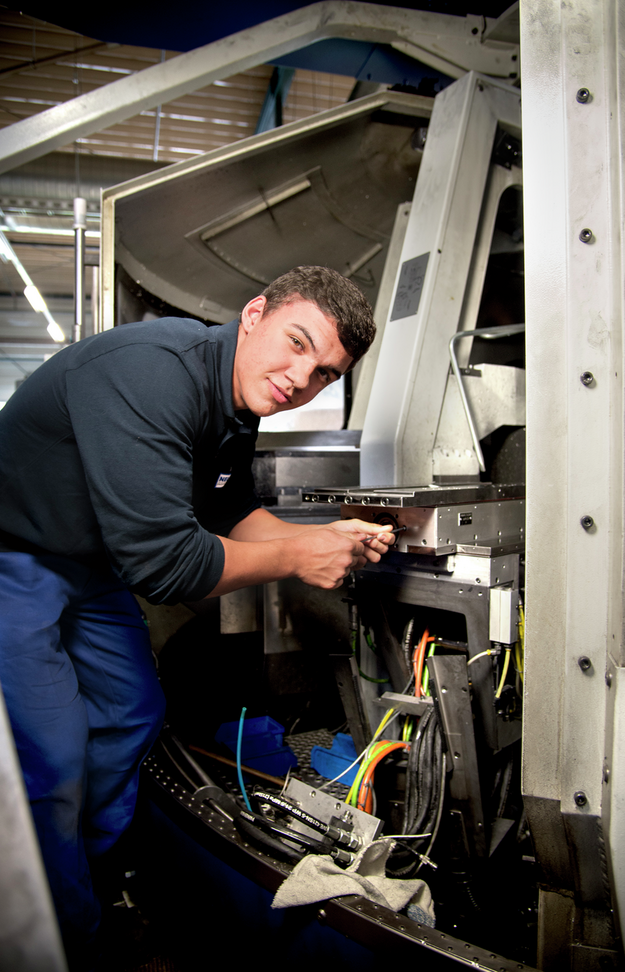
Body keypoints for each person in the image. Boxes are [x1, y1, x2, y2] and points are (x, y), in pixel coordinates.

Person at [0, 265, 392, 969]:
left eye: (324, 374)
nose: (299, 379)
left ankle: (87, 872)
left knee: (132, 711)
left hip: (86, 563)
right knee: (51, 754)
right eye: (295, 343)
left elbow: (224, 512)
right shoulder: (153, 374)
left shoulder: (235, 400)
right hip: (12, 556)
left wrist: (331, 536)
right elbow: (168, 569)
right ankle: (63, 938)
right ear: (253, 314)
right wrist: (300, 557)